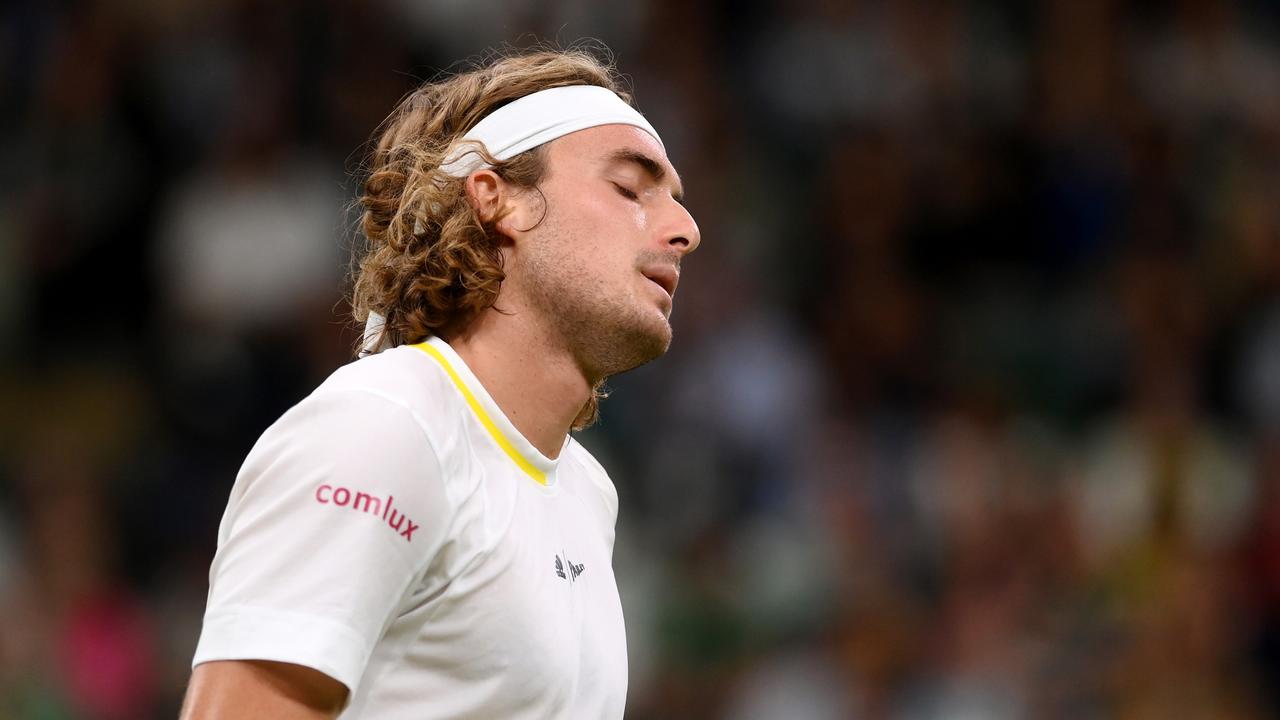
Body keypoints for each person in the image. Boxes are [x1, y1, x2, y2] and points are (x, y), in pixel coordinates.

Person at [179, 48, 700, 719]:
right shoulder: (385, 429)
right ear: (497, 199)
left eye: (676, 203)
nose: (683, 229)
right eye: (631, 188)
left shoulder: (588, 494)